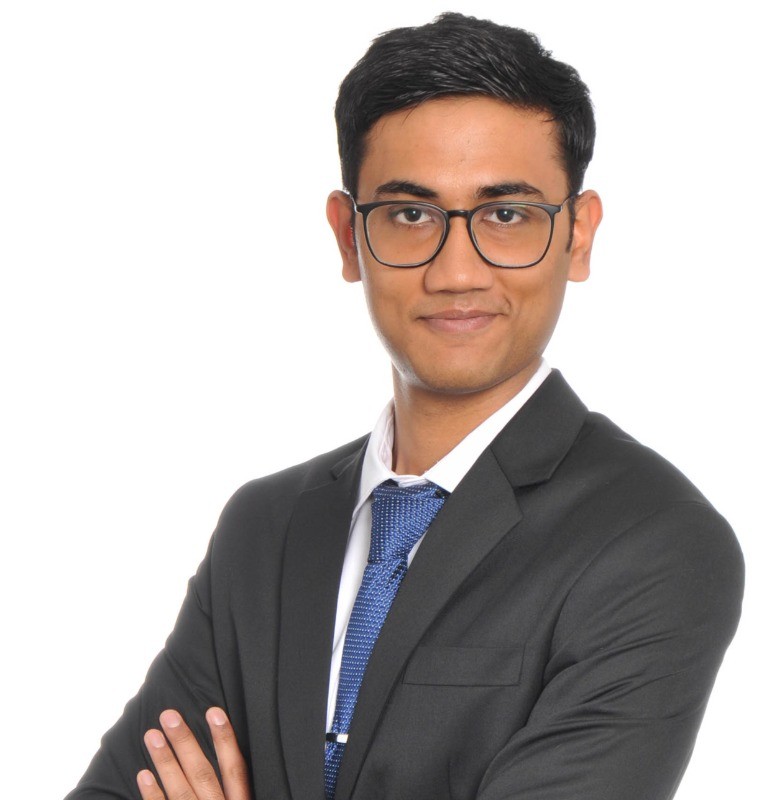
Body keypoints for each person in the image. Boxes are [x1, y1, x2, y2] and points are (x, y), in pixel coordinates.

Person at [66, 12, 744, 800]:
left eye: (507, 215)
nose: (456, 272)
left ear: (578, 235)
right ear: (348, 237)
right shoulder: (263, 531)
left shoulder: (654, 543)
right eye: (411, 214)